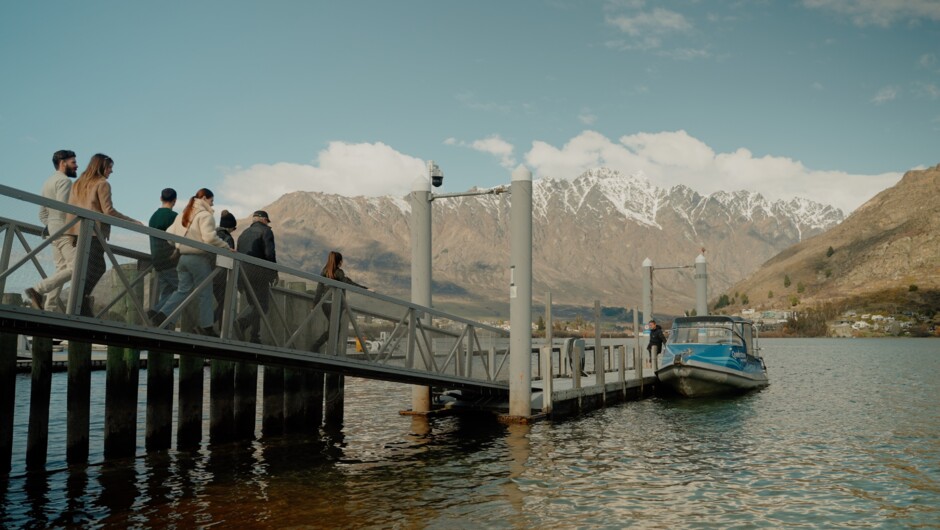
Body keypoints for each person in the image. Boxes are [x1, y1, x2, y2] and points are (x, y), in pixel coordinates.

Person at [64, 154, 142, 316]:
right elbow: (108, 211)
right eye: (109, 167)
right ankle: (81, 302)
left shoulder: (78, 183)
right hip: (94, 232)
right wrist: (133, 222)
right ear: (101, 167)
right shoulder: (102, 184)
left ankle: (79, 304)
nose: (111, 171)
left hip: (78, 232)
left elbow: (71, 210)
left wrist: (70, 234)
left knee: (85, 269)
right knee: (98, 268)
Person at [154, 189, 233, 335]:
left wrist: (179, 246)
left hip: (183, 259)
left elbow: (169, 236)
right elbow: (209, 238)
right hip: (198, 259)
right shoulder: (205, 216)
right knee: (205, 292)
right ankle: (206, 326)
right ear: (203, 198)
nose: (212, 204)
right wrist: (226, 247)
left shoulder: (183, 214)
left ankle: (163, 314)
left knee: (183, 290)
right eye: (211, 200)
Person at [24, 150, 79, 311]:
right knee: (76, 268)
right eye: (73, 162)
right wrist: (72, 230)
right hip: (64, 229)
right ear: (63, 163)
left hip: (53, 229)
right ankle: (38, 290)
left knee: (61, 269)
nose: (76, 165)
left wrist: (51, 225)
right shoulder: (65, 182)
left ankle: (49, 308)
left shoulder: (48, 182)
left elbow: (42, 213)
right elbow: (63, 209)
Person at [311, 251, 367, 352]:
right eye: (341, 260)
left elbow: (319, 289)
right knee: (335, 329)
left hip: (326, 304)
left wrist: (315, 304)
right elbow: (348, 283)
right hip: (336, 305)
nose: (342, 262)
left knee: (333, 328)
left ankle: (322, 347)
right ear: (339, 261)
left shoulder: (324, 271)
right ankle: (327, 349)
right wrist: (364, 289)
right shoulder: (339, 272)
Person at [235, 210, 277, 342]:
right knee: (262, 306)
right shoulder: (266, 231)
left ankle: (254, 336)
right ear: (264, 219)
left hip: (243, 274)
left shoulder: (243, 233)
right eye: (267, 221)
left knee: (254, 305)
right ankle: (242, 323)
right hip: (259, 274)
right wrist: (273, 273)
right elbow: (269, 254)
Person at [147, 188, 179, 320]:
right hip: (170, 259)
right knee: (183, 289)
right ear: (175, 201)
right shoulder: (174, 217)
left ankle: (156, 312)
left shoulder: (153, 217)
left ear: (161, 198)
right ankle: (161, 314)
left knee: (167, 291)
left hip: (157, 259)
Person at [212, 210, 237, 325]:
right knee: (225, 302)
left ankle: (208, 325)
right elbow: (229, 259)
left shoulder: (213, 234)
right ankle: (212, 325)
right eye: (234, 228)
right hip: (221, 276)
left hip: (209, 273)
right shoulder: (227, 238)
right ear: (230, 227)